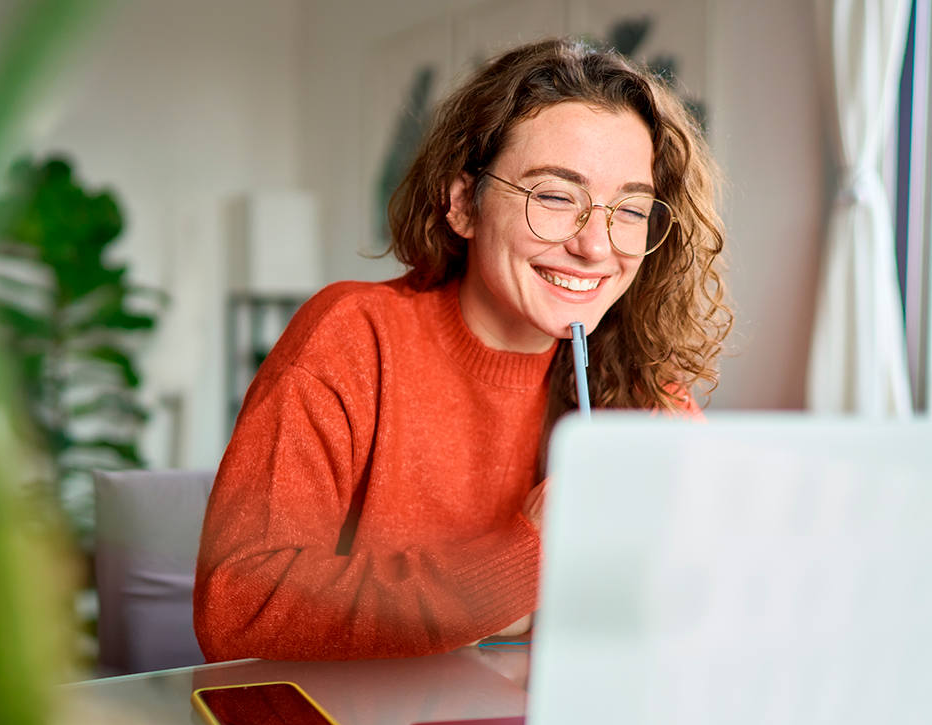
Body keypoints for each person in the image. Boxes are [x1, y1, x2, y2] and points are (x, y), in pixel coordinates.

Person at [193, 37, 731, 662]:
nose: (596, 245)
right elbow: (238, 606)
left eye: (630, 210)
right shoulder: (352, 338)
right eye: (556, 197)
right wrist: (525, 558)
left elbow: (704, 592)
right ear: (462, 204)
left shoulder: (641, 379)